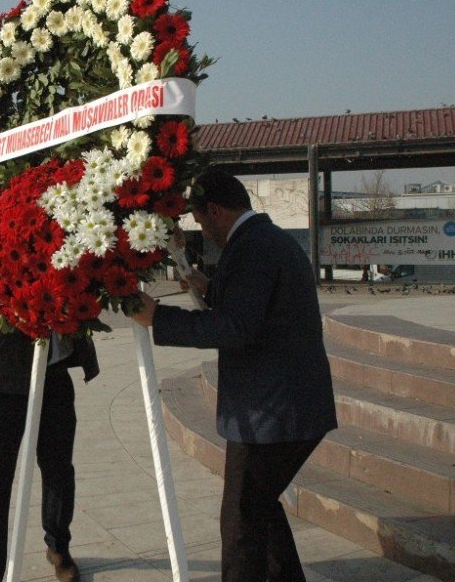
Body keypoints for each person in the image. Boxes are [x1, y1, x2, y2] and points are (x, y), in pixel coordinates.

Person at [129, 168, 337, 582]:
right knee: (259, 507)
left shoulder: (252, 248)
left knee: (241, 519)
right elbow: (256, 306)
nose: (204, 231)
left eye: (203, 222)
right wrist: (207, 286)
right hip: (285, 406)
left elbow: (236, 327)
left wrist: (159, 319)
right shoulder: (265, 239)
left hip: (272, 414)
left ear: (218, 210)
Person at [0, 269, 99, 582]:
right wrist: (18, 317)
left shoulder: (69, 233)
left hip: (55, 375)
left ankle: (58, 547)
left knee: (59, 471)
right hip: (6, 381)